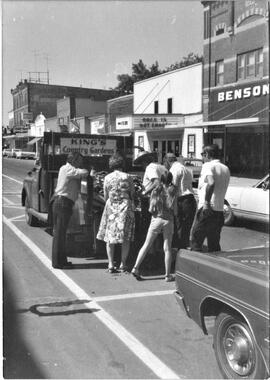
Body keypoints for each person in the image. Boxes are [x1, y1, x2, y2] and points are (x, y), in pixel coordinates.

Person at [131, 172, 177, 282]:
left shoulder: (156, 191)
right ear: (171, 180)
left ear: (161, 180)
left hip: (156, 219)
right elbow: (175, 210)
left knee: (146, 244)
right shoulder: (173, 191)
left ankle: (135, 267)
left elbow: (150, 209)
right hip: (168, 220)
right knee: (167, 248)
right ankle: (167, 275)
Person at [96, 152, 135, 273]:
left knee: (110, 236)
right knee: (126, 237)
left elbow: (106, 194)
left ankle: (110, 264)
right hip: (125, 207)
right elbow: (132, 194)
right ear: (122, 164)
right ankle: (123, 264)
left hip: (112, 207)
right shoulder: (128, 176)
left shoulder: (108, 177)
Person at [51, 152, 89, 269]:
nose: (81, 164)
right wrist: (89, 171)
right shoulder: (67, 169)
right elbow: (82, 173)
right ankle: (58, 262)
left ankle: (62, 260)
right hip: (62, 202)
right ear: (74, 160)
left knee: (62, 234)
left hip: (64, 203)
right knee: (59, 234)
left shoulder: (69, 169)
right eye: (80, 161)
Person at [191, 144, 230, 252]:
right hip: (219, 210)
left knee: (196, 241)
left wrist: (207, 202)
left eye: (202, 154)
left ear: (207, 154)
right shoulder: (225, 168)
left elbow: (211, 183)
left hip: (207, 209)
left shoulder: (208, 166)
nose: (202, 157)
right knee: (214, 243)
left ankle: (195, 267)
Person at [163, 153, 197, 249]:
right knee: (186, 227)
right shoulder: (185, 168)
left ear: (167, 161)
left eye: (164, 162)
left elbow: (173, 188)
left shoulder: (174, 169)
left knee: (179, 226)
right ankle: (183, 248)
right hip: (190, 199)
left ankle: (178, 252)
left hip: (182, 200)